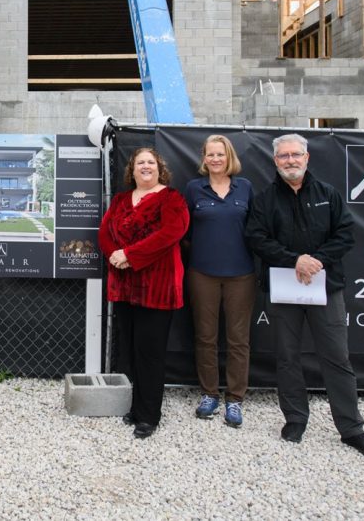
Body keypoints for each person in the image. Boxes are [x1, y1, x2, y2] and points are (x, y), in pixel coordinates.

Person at [245, 133, 364, 459]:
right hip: (283, 289)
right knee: (287, 358)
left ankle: (351, 429)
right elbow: (256, 237)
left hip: (326, 288)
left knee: (337, 357)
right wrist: (294, 260)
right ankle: (295, 419)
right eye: (283, 156)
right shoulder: (265, 199)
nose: (290, 161)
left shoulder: (328, 195)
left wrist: (316, 260)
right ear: (275, 161)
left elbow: (345, 234)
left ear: (307, 158)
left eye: (296, 155)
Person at [98, 147, 189, 439]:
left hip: (158, 287)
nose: (146, 167)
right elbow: (104, 232)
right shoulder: (122, 199)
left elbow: (170, 234)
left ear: (159, 168)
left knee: (150, 354)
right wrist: (115, 254)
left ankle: (149, 416)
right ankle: (136, 408)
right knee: (132, 352)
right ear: (132, 170)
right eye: (141, 163)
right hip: (125, 288)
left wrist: (130, 255)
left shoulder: (171, 199)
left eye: (151, 162)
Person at [183, 135, 255, 428]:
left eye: (220, 155)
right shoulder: (193, 189)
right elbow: (184, 232)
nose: (215, 159)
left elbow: (254, 229)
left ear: (229, 158)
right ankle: (209, 394)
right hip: (202, 273)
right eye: (210, 155)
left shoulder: (245, 187)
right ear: (204, 158)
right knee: (205, 337)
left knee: (238, 340)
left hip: (241, 274)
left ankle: (235, 399)